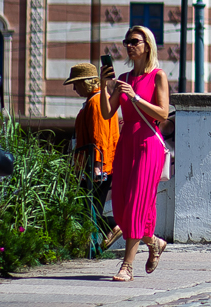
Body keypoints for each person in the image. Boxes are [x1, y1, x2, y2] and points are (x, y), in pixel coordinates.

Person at [98, 26, 170, 282]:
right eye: (126, 41)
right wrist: (105, 87)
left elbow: (162, 113)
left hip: (149, 144)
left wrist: (137, 98)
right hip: (126, 143)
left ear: (147, 45)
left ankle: (126, 266)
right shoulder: (124, 79)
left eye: (134, 41)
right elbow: (108, 113)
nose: (129, 46)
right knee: (120, 205)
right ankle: (153, 242)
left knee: (137, 204)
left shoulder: (158, 76)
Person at [68, 62, 121, 248]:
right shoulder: (98, 99)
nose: (74, 88)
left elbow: (99, 136)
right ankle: (95, 242)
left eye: (76, 83)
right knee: (89, 207)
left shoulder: (97, 101)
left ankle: (113, 226)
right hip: (97, 164)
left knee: (89, 208)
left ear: (86, 82)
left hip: (98, 166)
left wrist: (97, 166)